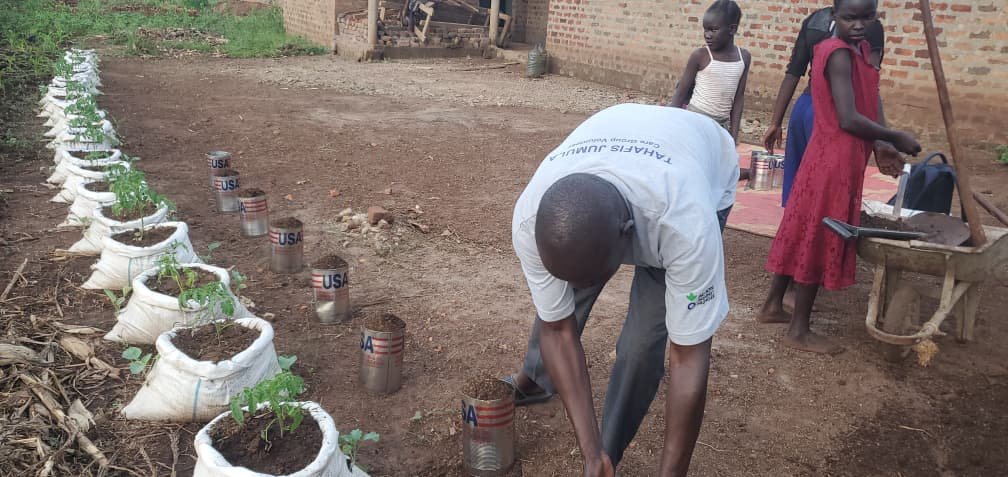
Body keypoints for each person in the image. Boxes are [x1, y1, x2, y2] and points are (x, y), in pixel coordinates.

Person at [503, 103, 738, 476]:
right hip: (623, 135)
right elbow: (557, 329)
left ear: (628, 238)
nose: (581, 288)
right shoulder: (532, 218)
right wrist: (588, 451)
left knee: (643, 339)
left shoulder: (686, 226)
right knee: (559, 308)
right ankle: (539, 385)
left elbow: (688, 357)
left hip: (700, 162)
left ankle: (612, 446)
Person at [757, 0, 920, 354]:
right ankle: (799, 328)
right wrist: (896, 137)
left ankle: (772, 306)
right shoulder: (837, 54)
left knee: (805, 225)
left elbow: (869, 96)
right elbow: (848, 117)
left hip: (838, 156)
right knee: (819, 232)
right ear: (834, 17)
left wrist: (880, 142)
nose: (859, 25)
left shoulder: (859, 50)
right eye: (850, 17)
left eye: (867, 17)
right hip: (834, 158)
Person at [761, 3, 886, 207]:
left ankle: (795, 233)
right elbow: (869, 84)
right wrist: (882, 139)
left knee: (797, 189)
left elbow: (793, 73)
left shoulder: (815, 20)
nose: (858, 24)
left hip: (804, 109)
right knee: (827, 193)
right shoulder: (870, 26)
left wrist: (775, 122)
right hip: (834, 114)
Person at [668, 0, 751, 143]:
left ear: (732, 29)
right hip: (695, 122)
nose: (707, 35)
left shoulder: (743, 58)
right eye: (705, 29)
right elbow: (680, 93)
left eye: (713, 30)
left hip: (721, 126)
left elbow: (738, 98)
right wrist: (667, 125)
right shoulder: (700, 56)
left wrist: (733, 135)